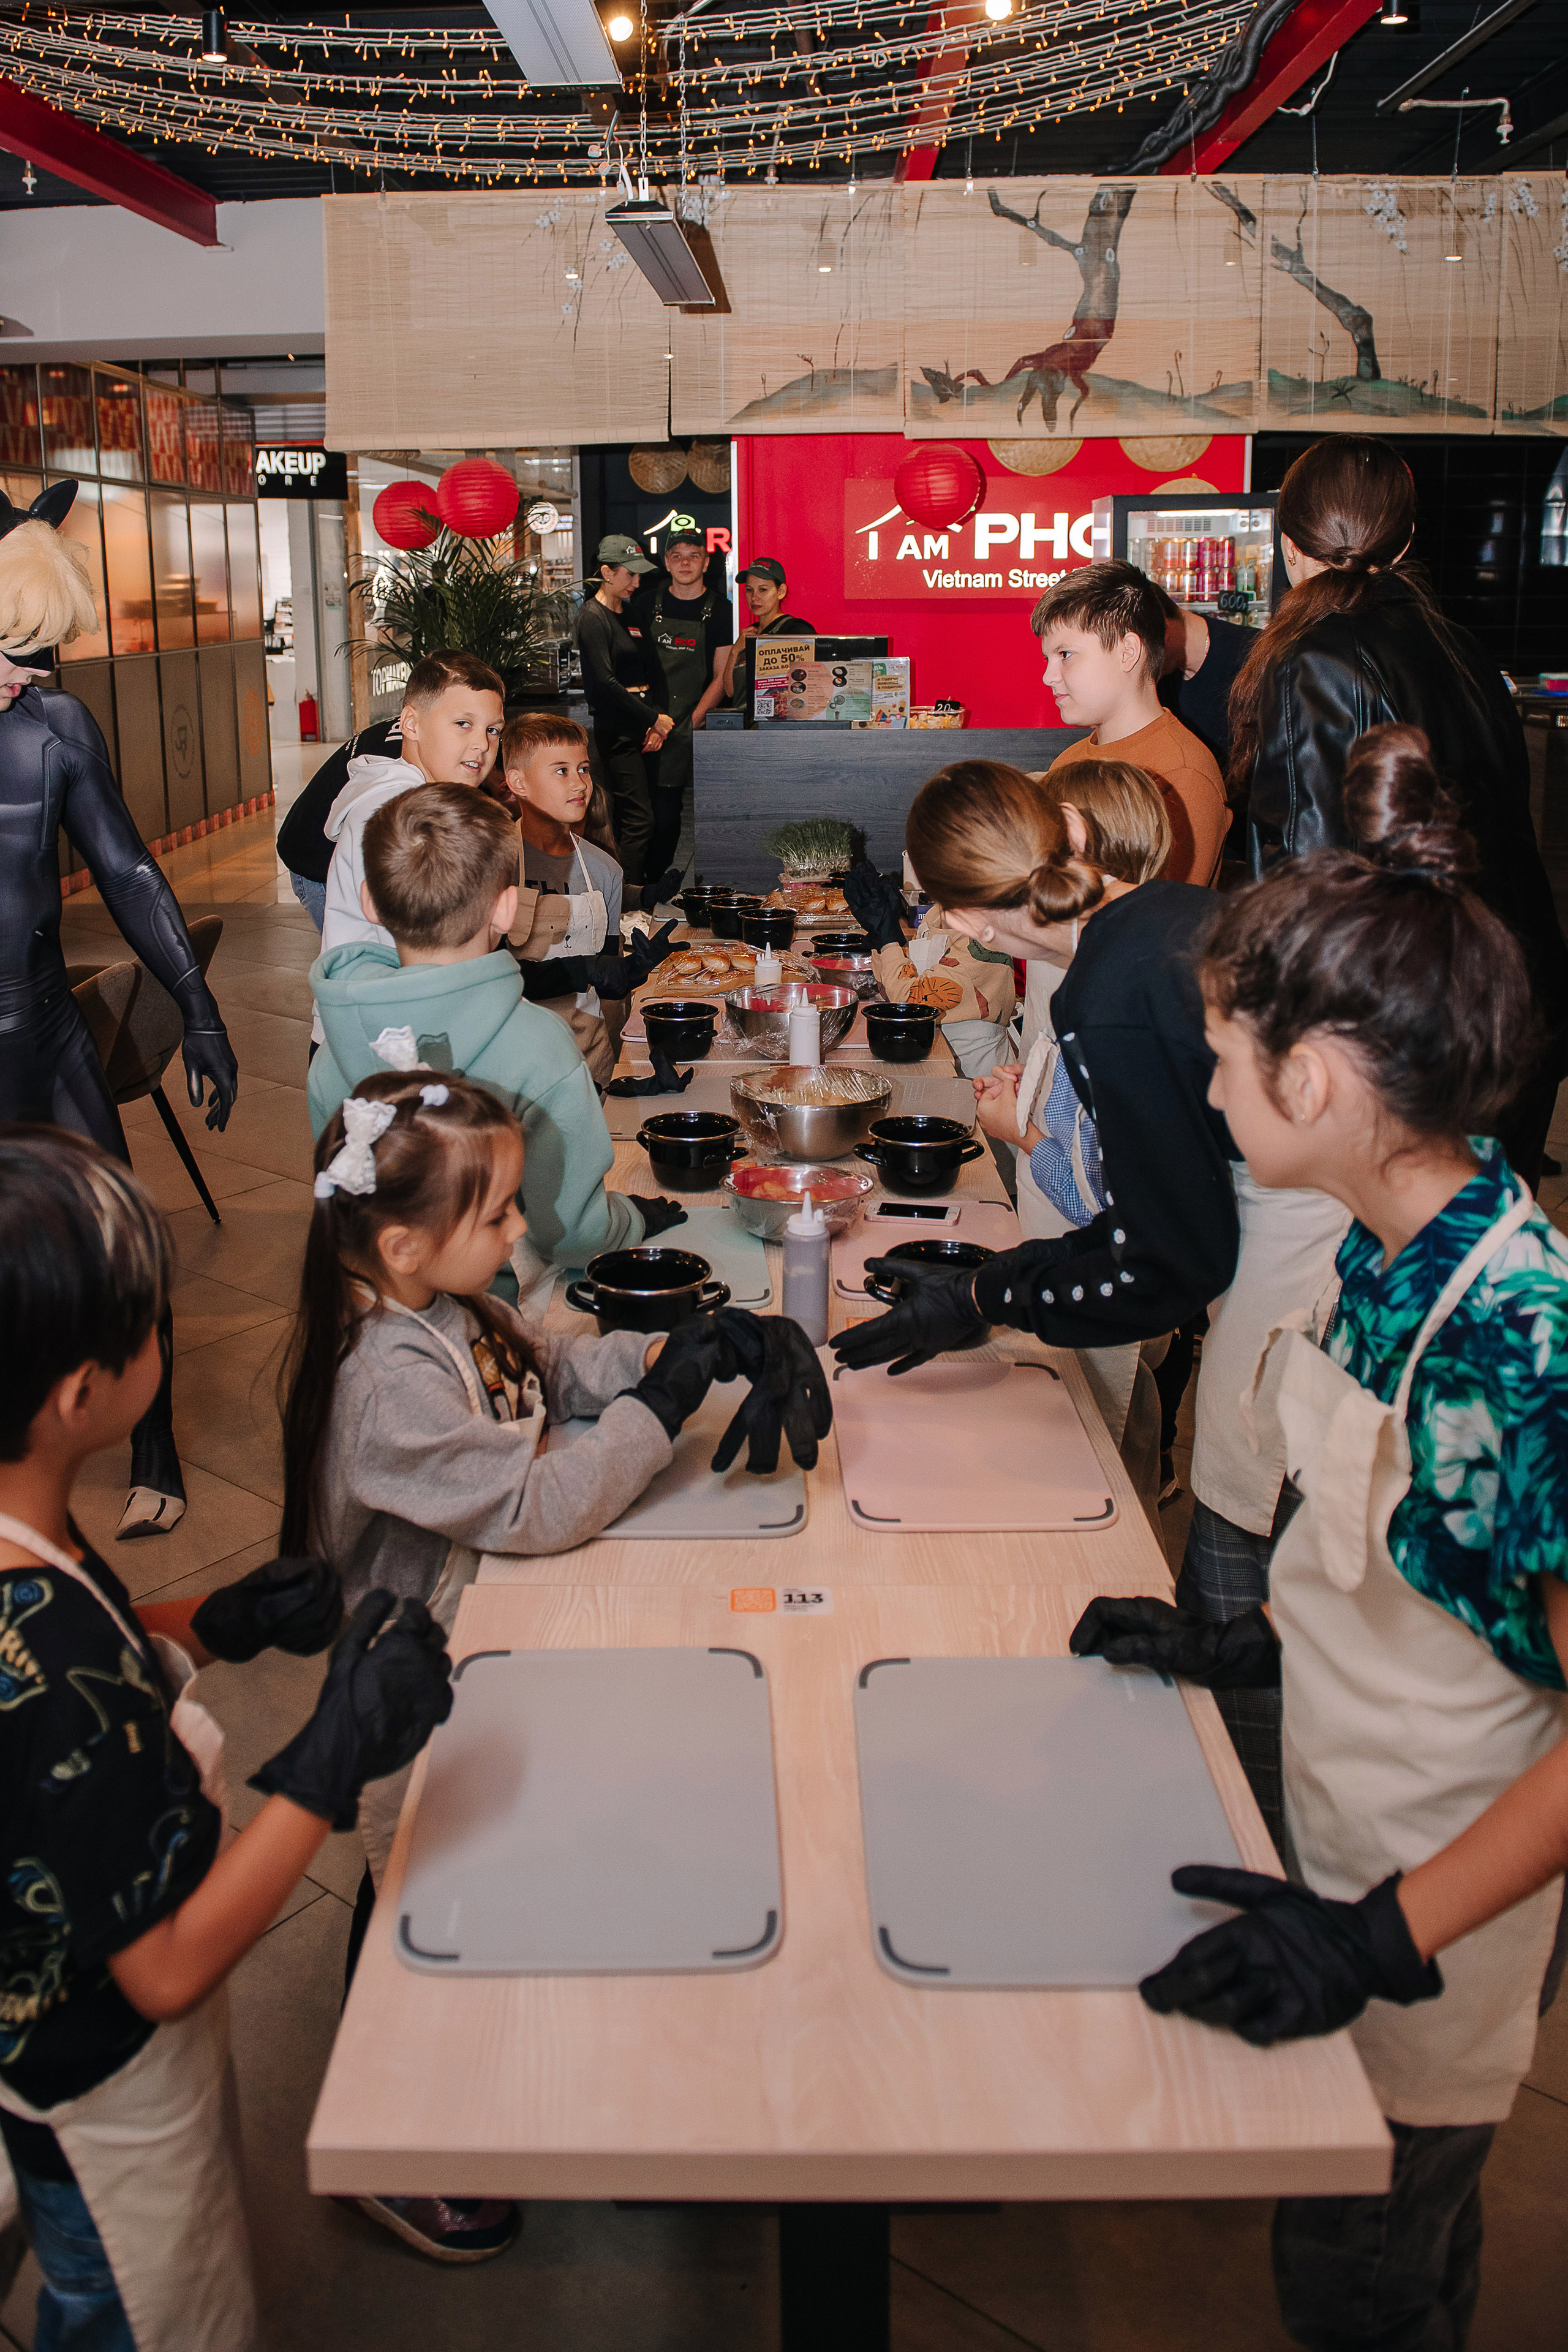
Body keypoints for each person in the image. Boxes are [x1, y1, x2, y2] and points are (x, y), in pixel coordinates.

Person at [1072, 725, 1568, 2352]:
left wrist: (1380, 1935)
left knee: (1361, 2282)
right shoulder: (1384, 1245)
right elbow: (1401, 1552)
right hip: (1350, 1828)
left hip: (1437, 1901)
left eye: (1226, 1058)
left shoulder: (1511, 1339)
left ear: (1321, 1083)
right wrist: (1247, 1640)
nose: (1211, 1089)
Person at [0, 1127, 452, 2348]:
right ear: (80, 1395)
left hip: (30, 2009)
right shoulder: (61, 1673)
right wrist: (325, 1763)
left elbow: (78, 1635)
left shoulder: (24, 1529)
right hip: (104, 2080)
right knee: (142, 2313)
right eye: (150, 1325)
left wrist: (214, 1620)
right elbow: (165, 1966)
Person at [830, 760, 1238, 1515]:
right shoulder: (1172, 911)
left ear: (967, 923)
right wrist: (993, 1282)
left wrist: (986, 1295)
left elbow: (1162, 1261)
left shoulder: (1110, 995)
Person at [1231, 434, 1568, 1188]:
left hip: (1410, 1022)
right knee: (1474, 1230)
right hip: (1511, 993)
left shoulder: (1314, 656)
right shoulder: (1459, 645)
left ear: (1288, 545)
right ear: (1407, 540)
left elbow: (1309, 872)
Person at [0, 484, 239, 1541]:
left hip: (46, 1029)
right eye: (10, 651)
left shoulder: (53, 726)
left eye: (40, 653)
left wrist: (200, 1005)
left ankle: (156, 1442)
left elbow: (130, 871)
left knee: (118, 1243)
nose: (29, 676)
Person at [307, 782, 685, 1269]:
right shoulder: (540, 1046)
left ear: (370, 903)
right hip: (494, 1297)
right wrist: (628, 1219)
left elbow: (343, 1205)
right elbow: (571, 1236)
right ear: (508, 909)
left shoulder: (333, 1052)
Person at [497, 712, 674, 1087]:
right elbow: (488, 981)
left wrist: (631, 971)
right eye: (561, 771)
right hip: (515, 1067)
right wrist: (584, 970)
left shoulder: (604, 870)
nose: (580, 784)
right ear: (518, 782)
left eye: (584, 769)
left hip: (590, 1061)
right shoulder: (493, 865)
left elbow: (609, 982)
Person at [1033, 559, 1229, 889]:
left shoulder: (1181, 774)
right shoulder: (1068, 761)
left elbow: (1166, 913)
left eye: (1065, 654)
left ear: (1128, 652)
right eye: (1047, 658)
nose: (1048, 676)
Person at [318, 650, 507, 972]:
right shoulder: (395, 814)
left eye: (493, 730)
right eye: (463, 724)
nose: (483, 744)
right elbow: (428, 943)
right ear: (411, 724)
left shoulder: (422, 800)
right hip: (387, 996)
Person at [838, 865, 1018, 1082]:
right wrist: (887, 933)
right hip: (935, 1058)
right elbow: (888, 989)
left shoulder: (984, 942)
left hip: (978, 1078)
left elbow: (909, 1006)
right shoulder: (937, 915)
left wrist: (888, 940)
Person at [630, 529, 732, 884]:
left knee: (669, 814)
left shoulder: (721, 611)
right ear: (666, 563)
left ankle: (656, 881)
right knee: (638, 812)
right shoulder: (646, 604)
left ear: (706, 562)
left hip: (689, 722)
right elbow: (632, 665)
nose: (685, 563)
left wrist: (691, 723)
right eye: (677, 556)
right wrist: (647, 717)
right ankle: (634, 884)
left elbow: (721, 677)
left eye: (693, 556)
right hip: (645, 720)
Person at [574, 535, 671, 886]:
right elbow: (604, 683)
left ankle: (635, 890)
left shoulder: (631, 612)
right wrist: (653, 718)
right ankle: (626, 898)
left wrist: (657, 721)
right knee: (638, 819)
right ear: (606, 572)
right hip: (618, 729)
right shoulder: (592, 617)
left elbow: (655, 670)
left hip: (647, 728)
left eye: (639, 574)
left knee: (644, 817)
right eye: (630, 574)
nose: (637, 582)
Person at [701, 557, 818, 720]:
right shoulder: (748, 634)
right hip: (746, 728)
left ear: (781, 591)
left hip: (781, 728)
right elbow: (730, 691)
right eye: (749, 590)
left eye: (763, 590)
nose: (754, 597)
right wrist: (735, 651)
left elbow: (814, 687)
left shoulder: (796, 631)